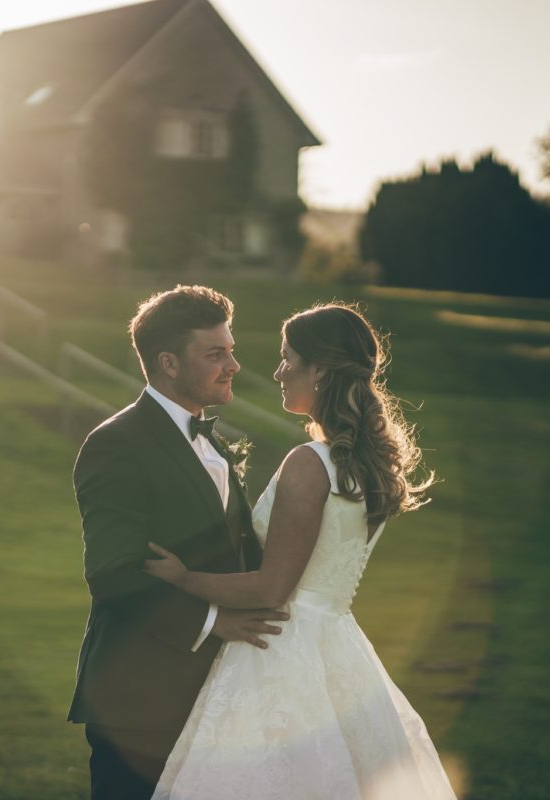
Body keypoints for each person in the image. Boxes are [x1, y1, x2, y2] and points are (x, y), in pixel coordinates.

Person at [143, 302, 457, 799]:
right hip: (339, 643)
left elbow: (273, 586)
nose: (278, 372)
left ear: (322, 370)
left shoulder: (310, 463)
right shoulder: (364, 465)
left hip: (282, 648)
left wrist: (185, 579)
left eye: (288, 359)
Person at [69, 285, 289, 800]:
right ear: (168, 362)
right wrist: (216, 623)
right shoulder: (116, 445)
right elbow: (112, 575)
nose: (233, 364)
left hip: (214, 695)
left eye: (230, 350)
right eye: (216, 354)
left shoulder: (210, 440)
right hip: (139, 700)